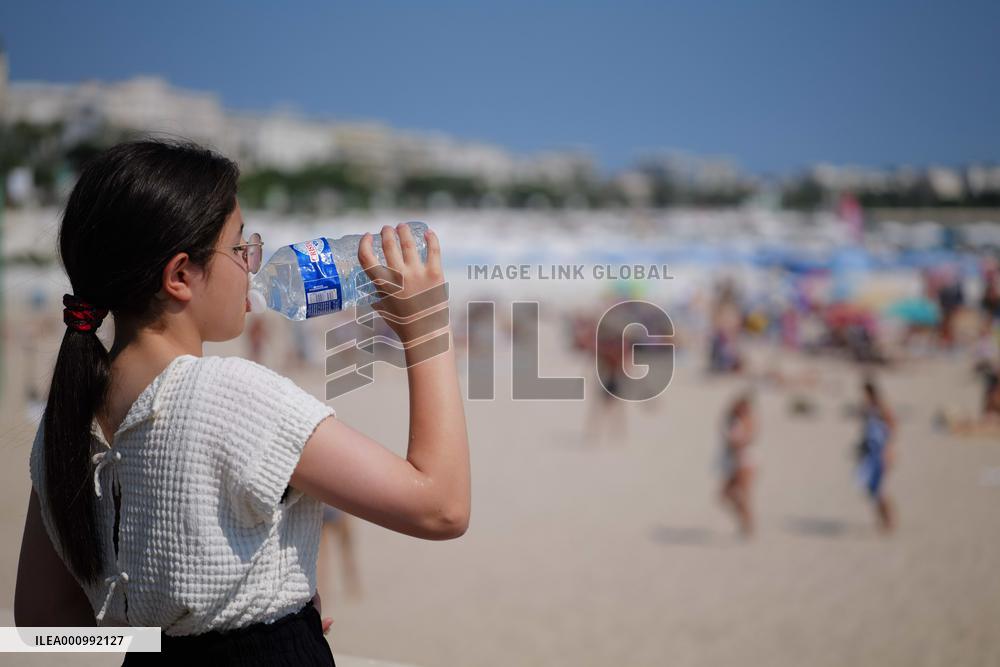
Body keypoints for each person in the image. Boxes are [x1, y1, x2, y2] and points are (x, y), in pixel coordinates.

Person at [13, 140, 470, 666]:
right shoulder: (230, 394)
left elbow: (43, 621)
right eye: (238, 247)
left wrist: (200, 627)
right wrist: (426, 326)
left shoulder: (64, 420)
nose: (254, 263)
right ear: (180, 276)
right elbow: (442, 508)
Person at [855, 378, 896, 533]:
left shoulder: (881, 407)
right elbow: (865, 432)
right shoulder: (868, 408)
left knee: (878, 489)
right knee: (871, 489)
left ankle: (888, 520)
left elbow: (891, 428)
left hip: (879, 453)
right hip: (870, 452)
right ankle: (882, 520)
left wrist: (888, 450)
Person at [718, 392, 756, 538]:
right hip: (735, 461)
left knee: (742, 494)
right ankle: (745, 522)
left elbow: (747, 440)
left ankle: (748, 524)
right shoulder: (732, 420)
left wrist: (733, 443)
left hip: (745, 460)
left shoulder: (748, 420)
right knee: (725, 494)